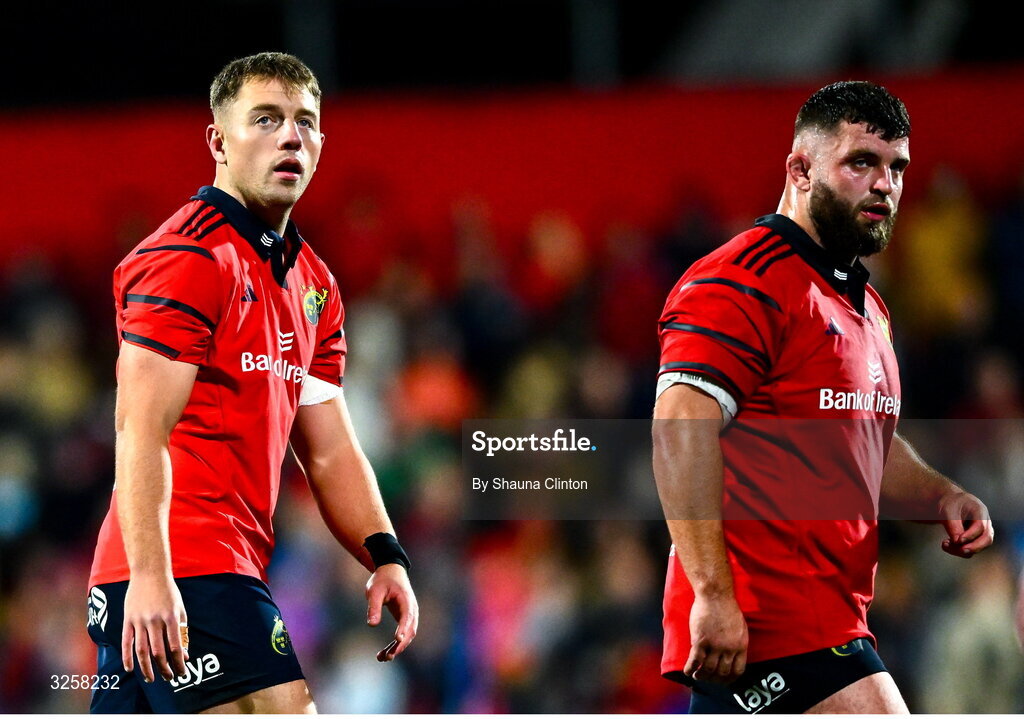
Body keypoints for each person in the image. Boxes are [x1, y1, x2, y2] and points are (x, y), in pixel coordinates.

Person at [86, 52, 418, 714]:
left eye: (305, 122)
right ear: (217, 140)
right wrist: (155, 576)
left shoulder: (315, 284)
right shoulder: (187, 257)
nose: (289, 136)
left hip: (201, 570)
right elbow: (139, 426)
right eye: (265, 119)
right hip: (187, 566)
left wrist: (385, 553)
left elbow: (329, 448)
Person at [652, 81, 993, 714]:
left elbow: (865, 444)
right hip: (768, 621)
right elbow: (679, 430)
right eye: (861, 161)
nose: (884, 184)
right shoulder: (742, 281)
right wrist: (713, 594)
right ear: (800, 170)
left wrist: (942, 494)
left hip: (831, 617)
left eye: (897, 168)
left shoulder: (869, 309)